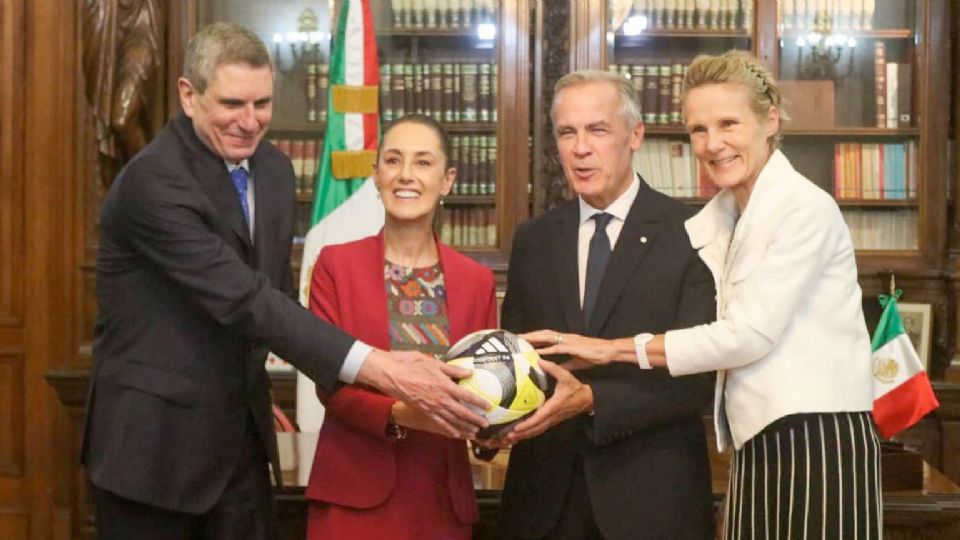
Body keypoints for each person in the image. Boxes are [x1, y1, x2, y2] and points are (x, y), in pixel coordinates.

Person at [82, 23, 487, 540]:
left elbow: (270, 298)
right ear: (189, 95)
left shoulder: (272, 170)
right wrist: (381, 368)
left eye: (263, 104)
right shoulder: (152, 182)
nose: (249, 122)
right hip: (152, 456)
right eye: (232, 103)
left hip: (240, 450)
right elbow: (246, 300)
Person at [527, 51, 882, 539]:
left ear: (770, 119)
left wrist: (609, 349)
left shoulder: (805, 208)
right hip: (755, 438)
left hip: (815, 433)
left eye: (728, 123)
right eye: (698, 129)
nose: (713, 144)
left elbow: (745, 335)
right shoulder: (719, 216)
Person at [495, 70, 717, 540]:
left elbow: (700, 377)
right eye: (566, 132)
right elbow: (519, 361)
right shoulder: (533, 240)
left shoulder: (692, 232)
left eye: (597, 130)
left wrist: (593, 400)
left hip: (652, 503)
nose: (580, 148)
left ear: (635, 135)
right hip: (544, 504)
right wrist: (491, 417)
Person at [304, 114, 498, 539]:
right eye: (393, 161)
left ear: (448, 180)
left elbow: (486, 390)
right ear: (376, 174)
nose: (405, 175)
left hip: (442, 503)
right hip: (353, 498)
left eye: (423, 163)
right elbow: (329, 383)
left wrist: (498, 427)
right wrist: (405, 413)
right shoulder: (336, 266)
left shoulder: (477, 281)